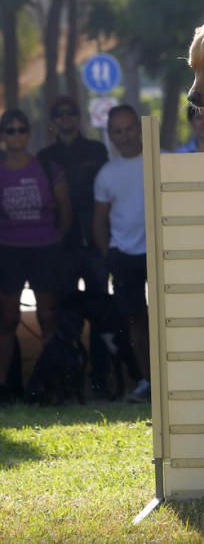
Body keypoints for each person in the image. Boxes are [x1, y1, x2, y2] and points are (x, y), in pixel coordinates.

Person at [38, 95, 111, 397]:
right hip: (62, 244)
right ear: (52, 121)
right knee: (64, 315)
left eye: (71, 113)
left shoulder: (96, 150)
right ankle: (66, 380)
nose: (66, 117)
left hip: (94, 240)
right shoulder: (45, 156)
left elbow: (104, 195)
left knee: (101, 315)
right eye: (60, 113)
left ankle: (101, 380)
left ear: (78, 118)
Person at [0, 109, 72, 404]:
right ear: (3, 136)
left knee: (47, 318)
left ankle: (49, 383)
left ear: (29, 133)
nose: (16, 135)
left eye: (21, 129)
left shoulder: (46, 167)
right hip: (9, 250)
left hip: (45, 249)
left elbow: (65, 208)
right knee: (6, 319)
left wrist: (57, 238)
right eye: (9, 130)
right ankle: (4, 387)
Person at [92, 104, 150, 403]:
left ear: (139, 129)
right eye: (117, 131)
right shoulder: (106, 174)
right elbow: (99, 220)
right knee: (136, 322)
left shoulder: (162, 160)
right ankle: (146, 380)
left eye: (129, 129)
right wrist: (109, 256)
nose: (124, 136)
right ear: (110, 135)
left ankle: (172, 377)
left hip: (158, 253)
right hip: (124, 256)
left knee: (168, 318)